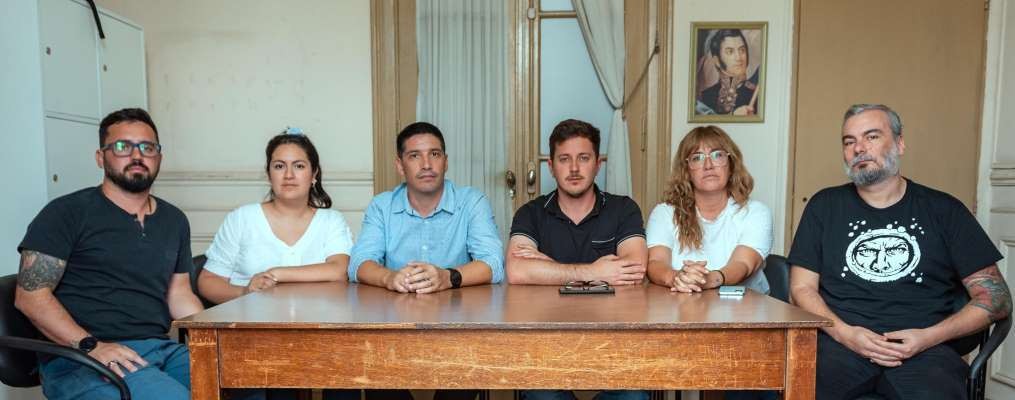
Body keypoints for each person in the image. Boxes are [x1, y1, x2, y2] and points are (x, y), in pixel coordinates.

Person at [788, 104, 1012, 400]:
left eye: (871, 137)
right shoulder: (824, 206)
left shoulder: (945, 210)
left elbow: (996, 299)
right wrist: (845, 334)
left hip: (925, 352)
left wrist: (928, 337)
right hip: (839, 345)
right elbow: (801, 289)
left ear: (900, 143)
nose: (859, 148)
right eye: (849, 141)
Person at [15, 108, 204, 400]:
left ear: (159, 157)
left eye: (147, 147)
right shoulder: (66, 213)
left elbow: (179, 295)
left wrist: (218, 341)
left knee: (246, 381)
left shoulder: (174, 219)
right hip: (82, 357)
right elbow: (30, 297)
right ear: (100, 157)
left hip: (160, 349)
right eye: (122, 147)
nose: (137, 155)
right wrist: (92, 346)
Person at [197, 131, 359, 400]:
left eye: (299, 166)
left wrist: (277, 274)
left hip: (321, 334)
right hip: (254, 336)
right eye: (279, 166)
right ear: (268, 174)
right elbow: (207, 281)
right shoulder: (243, 218)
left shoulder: (331, 220)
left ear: (314, 174)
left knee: (349, 370)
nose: (289, 175)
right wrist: (245, 292)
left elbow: (339, 270)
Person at [349, 121, 503, 400]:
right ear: (400, 166)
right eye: (414, 156)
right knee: (374, 371)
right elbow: (359, 263)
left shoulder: (471, 202)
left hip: (460, 329)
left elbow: (493, 263)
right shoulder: (382, 206)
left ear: (446, 161)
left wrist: (447, 277)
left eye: (434, 154)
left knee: (465, 375)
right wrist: (389, 277)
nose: (427, 164)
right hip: (394, 329)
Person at [506, 119, 648, 400]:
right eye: (564, 159)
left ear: (598, 164)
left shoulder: (623, 209)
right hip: (545, 337)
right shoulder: (530, 213)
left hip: (614, 338)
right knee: (540, 396)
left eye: (583, 158)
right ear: (551, 166)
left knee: (632, 396)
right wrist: (596, 272)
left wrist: (546, 266)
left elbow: (634, 269)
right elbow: (517, 270)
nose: (573, 168)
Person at [646, 125, 771, 294]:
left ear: (731, 164)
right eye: (697, 158)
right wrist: (677, 278)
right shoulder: (664, 213)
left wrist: (708, 279)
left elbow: (743, 264)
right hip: (682, 306)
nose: (708, 165)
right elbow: (656, 263)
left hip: (745, 307)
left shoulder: (756, 212)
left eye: (717, 155)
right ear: (686, 170)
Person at [697, 29, 758, 116]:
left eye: (742, 50)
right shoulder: (705, 96)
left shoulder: (756, 95)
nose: (738, 57)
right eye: (730, 52)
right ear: (717, 61)